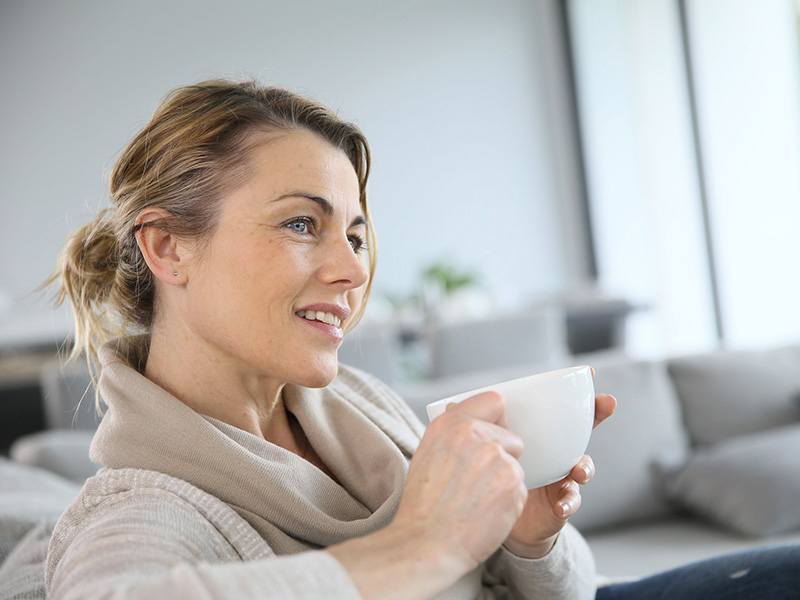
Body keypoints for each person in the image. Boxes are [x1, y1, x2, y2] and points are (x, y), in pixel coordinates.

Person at [44, 78, 611, 600]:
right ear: (168, 248)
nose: (354, 270)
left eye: (356, 238)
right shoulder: (141, 509)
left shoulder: (364, 403)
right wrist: (419, 546)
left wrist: (527, 542)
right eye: (300, 224)